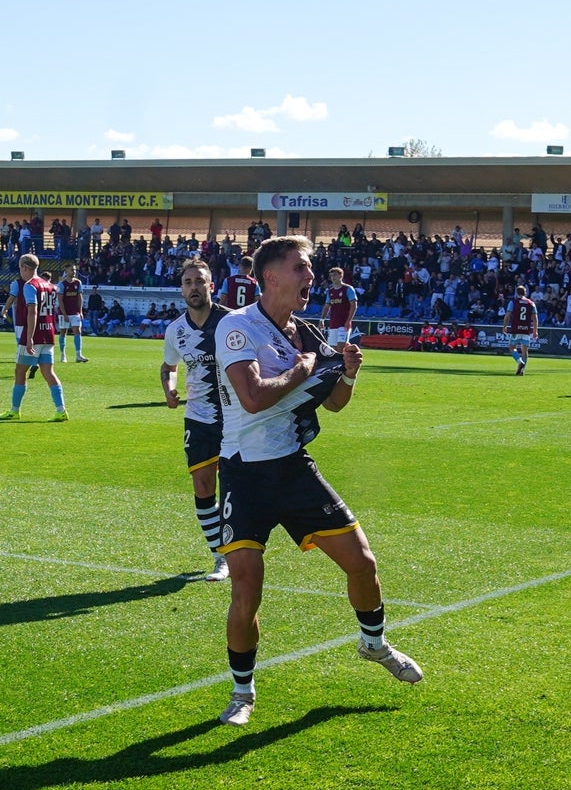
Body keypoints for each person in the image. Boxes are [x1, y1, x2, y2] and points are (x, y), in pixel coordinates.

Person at [213, 235, 422, 727]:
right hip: (244, 473)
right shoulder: (238, 328)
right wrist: (304, 369)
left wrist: (347, 373)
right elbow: (252, 398)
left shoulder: (304, 331)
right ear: (270, 277)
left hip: (292, 466)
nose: (311, 278)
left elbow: (334, 403)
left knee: (362, 562)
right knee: (247, 588)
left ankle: (373, 645)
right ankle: (242, 694)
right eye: (302, 268)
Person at [161, 259, 231, 582]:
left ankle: (242, 548)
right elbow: (169, 367)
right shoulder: (175, 330)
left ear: (211, 286)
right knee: (203, 485)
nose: (194, 288)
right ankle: (220, 555)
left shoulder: (233, 323)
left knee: (238, 488)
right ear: (182, 289)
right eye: (188, 282)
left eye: (199, 282)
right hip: (199, 417)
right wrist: (170, 390)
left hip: (237, 416)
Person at [0, 254, 69, 422]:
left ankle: (14, 410)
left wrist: (29, 338)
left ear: (24, 268)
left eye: (20, 268)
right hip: (49, 334)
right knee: (48, 372)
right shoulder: (50, 285)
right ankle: (61, 409)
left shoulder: (30, 286)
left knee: (20, 371)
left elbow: (32, 311)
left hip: (34, 335)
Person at [319, 267, 358, 352]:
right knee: (332, 350)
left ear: (341, 276)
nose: (333, 277)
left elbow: (354, 305)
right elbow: (326, 306)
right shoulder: (330, 291)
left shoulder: (348, 289)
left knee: (341, 348)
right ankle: (338, 365)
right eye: (331, 275)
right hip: (333, 323)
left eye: (335, 275)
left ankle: (345, 364)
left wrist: (349, 321)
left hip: (343, 324)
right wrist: (322, 319)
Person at [502, 284, 538, 375]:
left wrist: (504, 326)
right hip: (526, 330)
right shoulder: (531, 303)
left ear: (516, 293)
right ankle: (522, 370)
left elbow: (507, 316)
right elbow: (535, 318)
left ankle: (519, 361)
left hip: (516, 329)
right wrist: (535, 330)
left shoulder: (513, 302)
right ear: (525, 293)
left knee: (512, 347)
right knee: (525, 351)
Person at [57, 263, 88, 362]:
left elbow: (80, 298)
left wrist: (80, 311)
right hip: (64, 313)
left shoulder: (78, 283)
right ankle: (63, 355)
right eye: (71, 270)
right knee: (63, 332)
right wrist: (64, 314)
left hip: (75, 312)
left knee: (77, 331)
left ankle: (78, 355)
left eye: (74, 270)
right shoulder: (62, 285)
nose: (74, 272)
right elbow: (60, 300)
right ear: (66, 272)